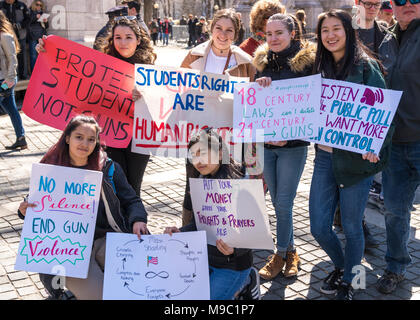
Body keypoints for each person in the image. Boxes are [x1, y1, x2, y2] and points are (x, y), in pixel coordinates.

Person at [17, 115, 149, 300]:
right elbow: (35, 202)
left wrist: (138, 220)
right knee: (101, 296)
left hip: (107, 240)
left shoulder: (108, 168)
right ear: (67, 138)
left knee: (139, 284)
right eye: (79, 137)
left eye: (91, 139)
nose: (85, 143)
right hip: (70, 250)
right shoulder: (50, 168)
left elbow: (132, 200)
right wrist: (24, 209)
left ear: (96, 143)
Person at [309, 9, 392, 300]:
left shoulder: (366, 67)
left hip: (356, 161)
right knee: (319, 225)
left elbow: (383, 114)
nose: (330, 35)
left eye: (336, 29)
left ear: (348, 31)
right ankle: (344, 266)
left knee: (353, 226)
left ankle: (351, 282)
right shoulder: (316, 67)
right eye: (324, 31)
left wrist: (375, 145)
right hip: (324, 157)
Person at [38, 17, 157, 196]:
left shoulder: (149, 69)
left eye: (128, 37)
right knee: (115, 183)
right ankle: (116, 221)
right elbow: (71, 70)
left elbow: (160, 105)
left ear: (138, 40)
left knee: (134, 185)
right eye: (118, 37)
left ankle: (135, 221)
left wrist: (144, 97)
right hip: (111, 134)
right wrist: (46, 50)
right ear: (112, 39)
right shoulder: (100, 62)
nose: (123, 42)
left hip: (138, 138)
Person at [253, 13, 315, 281]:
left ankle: (279, 254)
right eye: (268, 34)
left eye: (279, 33)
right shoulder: (262, 63)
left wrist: (287, 138)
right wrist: (257, 86)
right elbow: (253, 105)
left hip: (293, 147)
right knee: (277, 202)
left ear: (293, 34)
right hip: (267, 145)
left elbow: (310, 109)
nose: (273, 39)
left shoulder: (307, 65)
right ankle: (291, 252)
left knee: (283, 202)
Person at [180, 8, 255, 227]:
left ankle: (225, 232)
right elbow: (175, 88)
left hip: (229, 135)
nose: (223, 35)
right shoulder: (194, 55)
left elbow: (251, 99)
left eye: (229, 30)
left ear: (236, 33)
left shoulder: (245, 61)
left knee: (227, 182)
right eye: (219, 28)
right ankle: (189, 230)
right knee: (193, 183)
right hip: (198, 134)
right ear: (211, 29)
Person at [164, 128, 260, 300]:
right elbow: (201, 223)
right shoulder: (201, 181)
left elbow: (256, 230)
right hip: (205, 259)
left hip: (233, 266)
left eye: (203, 153)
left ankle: (247, 281)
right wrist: (181, 232)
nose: (198, 160)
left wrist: (235, 249)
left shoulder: (240, 182)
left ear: (220, 152)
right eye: (193, 155)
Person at [376, 0, 420, 295]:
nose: (408, 5)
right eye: (400, 0)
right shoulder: (385, 40)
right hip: (394, 143)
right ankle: (395, 267)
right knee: (394, 210)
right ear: (391, 4)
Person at [0, 10, 27, 150]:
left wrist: (9, 80)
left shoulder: (5, 36)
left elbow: (12, 59)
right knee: (12, 110)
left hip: (5, 81)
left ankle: (21, 138)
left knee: (11, 109)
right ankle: (21, 138)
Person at [0, 0, 29, 80]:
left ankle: (22, 76)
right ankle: (15, 77)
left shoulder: (21, 5)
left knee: (21, 57)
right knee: (8, 57)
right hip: (6, 34)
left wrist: (19, 25)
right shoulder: (1, 5)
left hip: (20, 35)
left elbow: (28, 19)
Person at [28, 0, 48, 73]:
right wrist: (35, 17)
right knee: (33, 55)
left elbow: (46, 26)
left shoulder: (42, 13)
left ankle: (42, 71)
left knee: (43, 55)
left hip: (41, 36)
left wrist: (46, 22)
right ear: (34, 4)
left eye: (41, 5)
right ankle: (34, 72)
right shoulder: (29, 12)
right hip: (32, 36)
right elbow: (27, 22)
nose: (39, 6)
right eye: (37, 4)